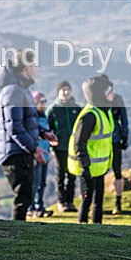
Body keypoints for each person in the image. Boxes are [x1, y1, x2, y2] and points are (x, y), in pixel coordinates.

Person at [0, 50, 57, 221]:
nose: (36, 68)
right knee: (23, 198)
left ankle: (19, 232)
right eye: (34, 65)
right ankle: (16, 234)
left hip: (21, 151)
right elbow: (14, 127)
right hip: (15, 154)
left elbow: (28, 120)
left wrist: (43, 133)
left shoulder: (22, 89)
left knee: (26, 196)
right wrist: (34, 148)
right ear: (26, 67)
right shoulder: (14, 91)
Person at [67, 75, 115, 224]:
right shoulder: (89, 116)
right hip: (87, 168)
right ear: (100, 94)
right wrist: (85, 166)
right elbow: (79, 143)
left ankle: (97, 230)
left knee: (98, 201)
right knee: (86, 200)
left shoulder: (103, 112)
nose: (112, 95)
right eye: (108, 92)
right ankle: (81, 230)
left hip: (98, 168)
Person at [46, 80, 83, 213]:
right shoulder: (53, 109)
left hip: (73, 147)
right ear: (58, 92)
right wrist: (51, 144)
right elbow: (47, 129)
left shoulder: (76, 108)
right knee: (60, 174)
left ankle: (70, 201)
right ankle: (61, 202)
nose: (66, 92)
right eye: (63, 90)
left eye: (68, 89)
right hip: (59, 147)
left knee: (72, 174)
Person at [104, 79, 130, 215]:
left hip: (115, 139)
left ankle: (118, 203)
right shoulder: (96, 99)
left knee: (117, 171)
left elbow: (123, 118)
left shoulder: (117, 99)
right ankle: (98, 203)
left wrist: (124, 136)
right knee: (99, 172)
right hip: (102, 140)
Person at [30, 91, 55, 218]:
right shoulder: (32, 117)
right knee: (35, 182)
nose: (43, 104)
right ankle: (31, 208)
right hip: (37, 154)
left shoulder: (44, 116)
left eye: (45, 101)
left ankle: (39, 206)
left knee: (42, 183)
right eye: (41, 101)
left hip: (45, 153)